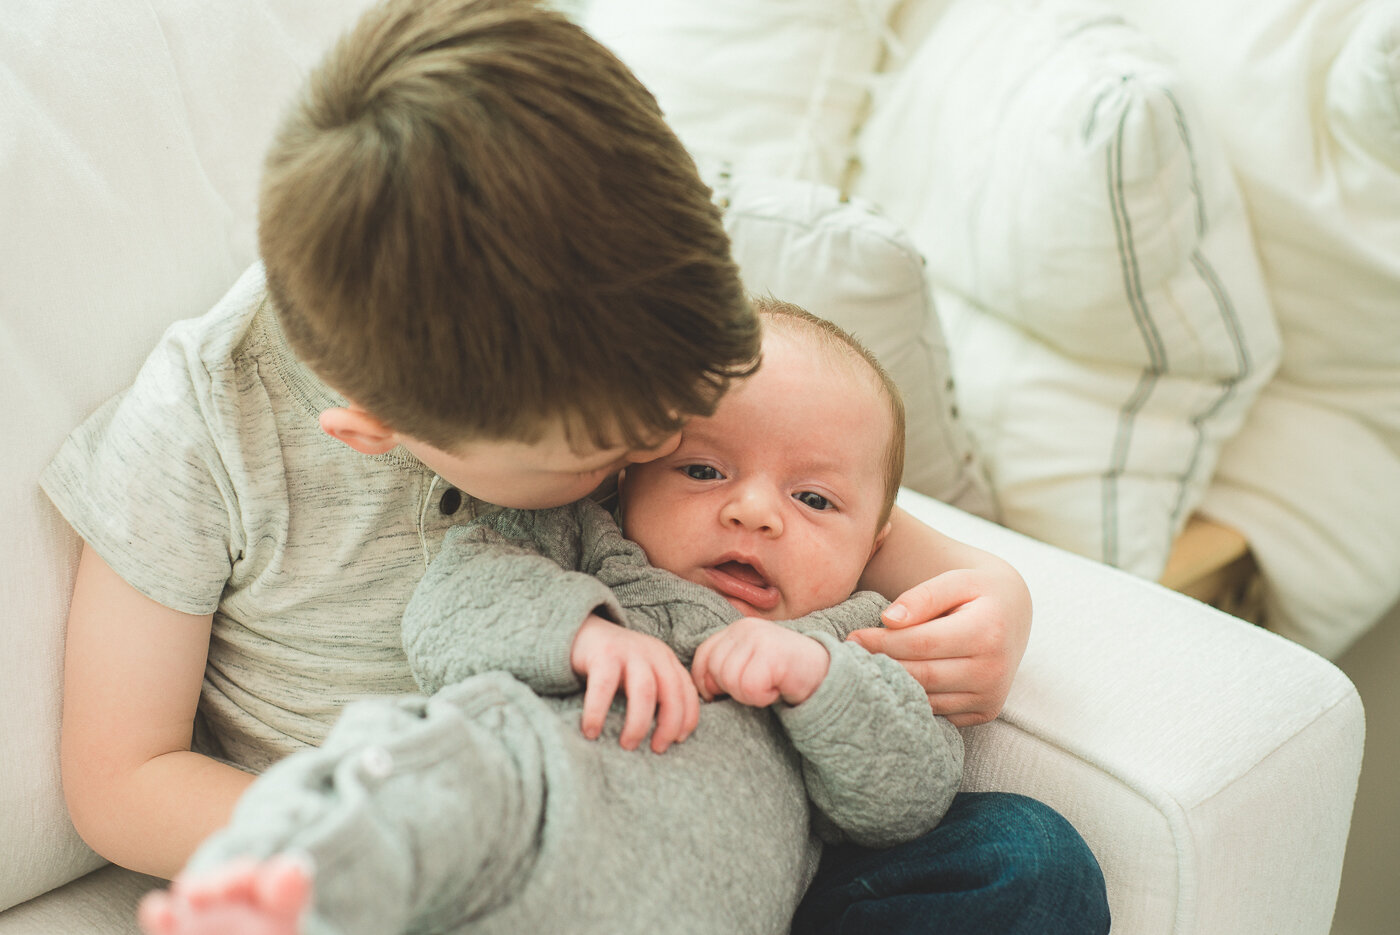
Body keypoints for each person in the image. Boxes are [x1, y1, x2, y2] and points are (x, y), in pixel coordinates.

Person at [38, 0, 1097, 929]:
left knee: (1023, 861)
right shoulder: (200, 426)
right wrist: (396, 848)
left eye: (673, 427)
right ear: (374, 430)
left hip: (719, 831)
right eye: (612, 452)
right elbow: (121, 779)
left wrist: (983, 589)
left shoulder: (619, 298)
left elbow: (798, 493)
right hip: (446, 865)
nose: (649, 452)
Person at [137, 301, 969, 935]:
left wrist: (818, 684)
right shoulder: (586, 537)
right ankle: (277, 885)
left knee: (1024, 854)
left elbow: (908, 797)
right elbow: (447, 610)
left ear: (874, 543)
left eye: (814, 497)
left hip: (700, 900)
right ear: (628, 473)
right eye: (705, 469)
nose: (753, 511)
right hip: (525, 799)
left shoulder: (855, 635)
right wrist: (583, 630)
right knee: (426, 772)